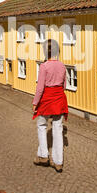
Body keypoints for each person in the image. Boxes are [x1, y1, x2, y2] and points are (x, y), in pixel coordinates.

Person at [32, 38, 68, 173]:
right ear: (57, 50)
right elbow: (64, 86)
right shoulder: (62, 65)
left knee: (42, 126)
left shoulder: (44, 66)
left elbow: (40, 88)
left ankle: (43, 156)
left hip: (46, 99)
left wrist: (35, 103)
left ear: (45, 51)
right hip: (59, 99)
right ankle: (58, 163)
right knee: (58, 129)